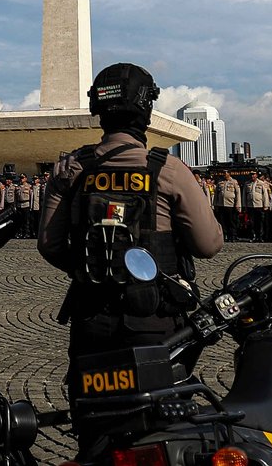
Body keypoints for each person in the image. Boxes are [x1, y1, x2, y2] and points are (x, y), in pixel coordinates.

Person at [37, 62, 223, 449]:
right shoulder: (168, 170)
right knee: (163, 429)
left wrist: (87, 269)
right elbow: (209, 245)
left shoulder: (71, 170)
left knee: (94, 425)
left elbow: (49, 245)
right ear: (146, 109)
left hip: (92, 319)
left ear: (98, 109)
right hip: (154, 320)